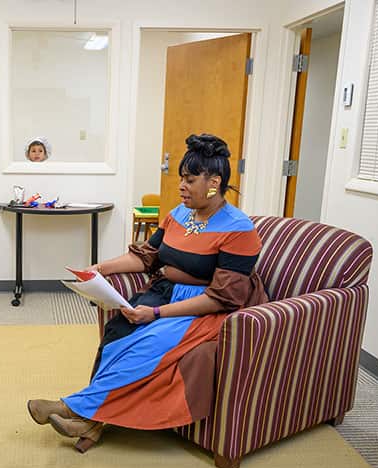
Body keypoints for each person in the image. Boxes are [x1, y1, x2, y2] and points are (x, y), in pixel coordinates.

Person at [27, 134, 268, 451]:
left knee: (146, 344)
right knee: (119, 331)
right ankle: (90, 422)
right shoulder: (179, 214)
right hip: (168, 292)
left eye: (190, 179)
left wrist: (155, 313)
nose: (181, 186)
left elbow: (222, 298)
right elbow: (146, 257)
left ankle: (73, 408)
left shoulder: (238, 229)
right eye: (181, 178)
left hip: (208, 309)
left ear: (215, 182)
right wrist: (103, 268)